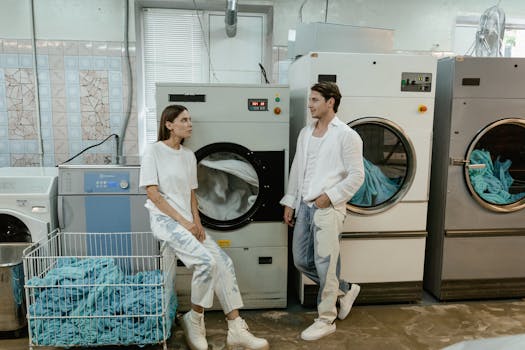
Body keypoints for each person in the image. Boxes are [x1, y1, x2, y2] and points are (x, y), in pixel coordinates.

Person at [140, 105, 269, 350]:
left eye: (190, 120)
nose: (190, 124)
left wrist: (197, 223)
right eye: (184, 120)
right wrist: (184, 222)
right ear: (169, 124)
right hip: (165, 221)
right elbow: (153, 194)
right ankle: (194, 320)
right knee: (205, 263)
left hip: (188, 221)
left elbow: (191, 194)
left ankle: (236, 329)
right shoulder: (153, 152)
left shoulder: (188, 155)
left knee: (223, 262)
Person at [280, 81, 365, 341]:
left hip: (327, 207)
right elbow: (298, 168)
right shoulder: (306, 132)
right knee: (301, 260)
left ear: (331, 102)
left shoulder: (347, 135)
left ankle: (326, 319)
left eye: (315, 100)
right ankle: (346, 289)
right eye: (310, 100)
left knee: (325, 265)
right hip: (305, 206)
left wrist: (329, 197)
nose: (310, 105)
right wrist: (290, 201)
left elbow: (357, 176)